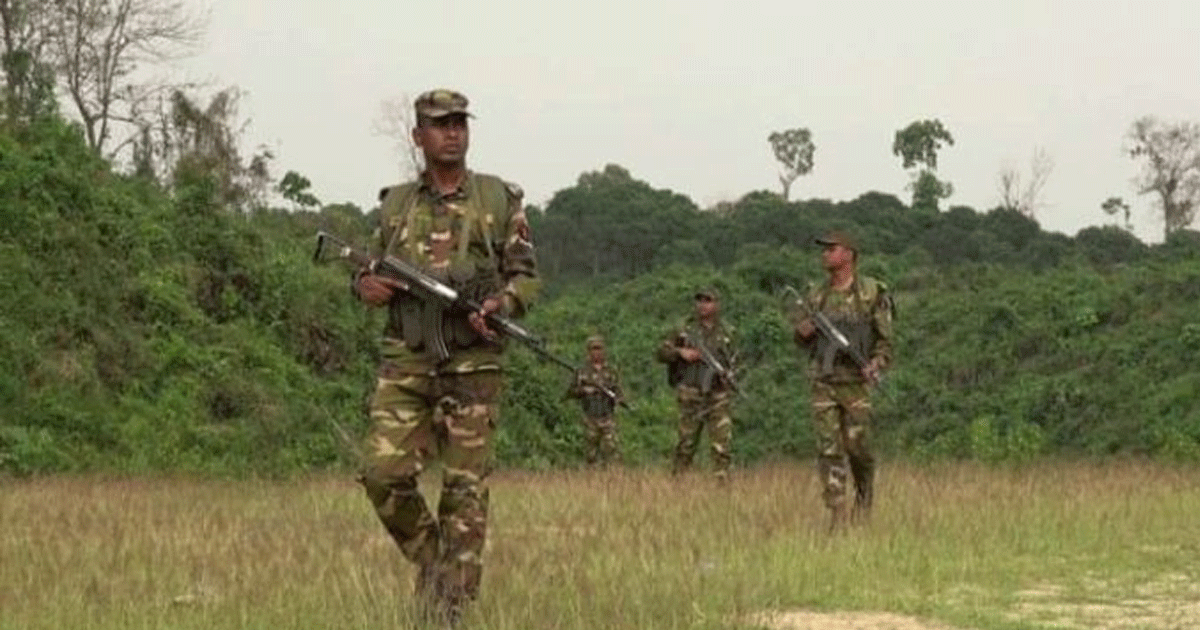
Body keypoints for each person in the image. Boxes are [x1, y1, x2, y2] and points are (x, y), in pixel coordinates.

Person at [352, 89, 540, 625]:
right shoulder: (394, 204)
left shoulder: (498, 200)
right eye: (439, 124)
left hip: (473, 364)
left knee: (464, 495)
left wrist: (502, 302)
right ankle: (438, 568)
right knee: (381, 474)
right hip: (408, 360)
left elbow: (526, 273)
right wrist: (363, 284)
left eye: (459, 122)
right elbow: (368, 268)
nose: (452, 131)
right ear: (418, 136)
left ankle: (448, 612)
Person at [790, 231, 893, 532]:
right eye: (824, 250)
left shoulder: (872, 293)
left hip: (856, 383)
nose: (825, 254)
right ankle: (837, 515)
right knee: (828, 449)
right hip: (824, 381)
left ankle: (864, 495)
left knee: (857, 447)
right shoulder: (816, 295)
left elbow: (886, 341)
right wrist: (804, 331)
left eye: (831, 249)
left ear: (849, 254)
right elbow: (800, 338)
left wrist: (875, 363)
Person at [656, 287, 737, 481]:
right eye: (699, 300)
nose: (702, 304)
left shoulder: (727, 331)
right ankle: (677, 483)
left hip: (718, 395)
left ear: (717, 304)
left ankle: (723, 485)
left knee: (722, 445)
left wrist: (729, 375)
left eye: (708, 300)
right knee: (686, 444)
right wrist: (680, 353)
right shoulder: (684, 328)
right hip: (690, 393)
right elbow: (661, 353)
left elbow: (736, 360)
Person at [565, 335, 625, 467]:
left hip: (607, 417)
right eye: (593, 349)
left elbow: (619, 392)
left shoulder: (611, 371)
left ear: (604, 350)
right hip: (589, 418)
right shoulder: (582, 372)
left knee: (612, 452)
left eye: (599, 349)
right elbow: (570, 393)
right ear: (588, 351)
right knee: (591, 455)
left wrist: (618, 399)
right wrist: (584, 391)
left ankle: (611, 481)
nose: (596, 352)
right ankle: (592, 483)